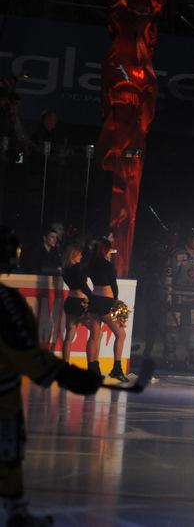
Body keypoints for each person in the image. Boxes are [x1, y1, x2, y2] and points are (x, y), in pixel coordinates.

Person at [0, 225, 102, 527]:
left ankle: (16, 511)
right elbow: (27, 354)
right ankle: (16, 512)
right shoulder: (7, 302)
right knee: (8, 447)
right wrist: (69, 376)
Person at [164, 229, 194, 370]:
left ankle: (193, 356)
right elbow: (168, 274)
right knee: (173, 326)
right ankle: (170, 355)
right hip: (178, 294)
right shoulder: (177, 254)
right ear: (189, 238)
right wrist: (168, 295)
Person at [86, 239, 127, 381]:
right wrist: (116, 302)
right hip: (106, 302)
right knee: (121, 334)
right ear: (105, 250)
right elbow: (113, 286)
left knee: (94, 336)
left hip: (94, 301)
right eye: (110, 249)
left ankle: (92, 369)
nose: (111, 252)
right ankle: (117, 369)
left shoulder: (91, 264)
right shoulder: (108, 265)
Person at [60, 244, 91, 363]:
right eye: (80, 254)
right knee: (96, 332)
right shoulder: (77, 267)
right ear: (74, 255)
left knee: (69, 336)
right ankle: (92, 363)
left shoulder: (65, 269)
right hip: (81, 303)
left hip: (70, 301)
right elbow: (83, 286)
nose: (82, 256)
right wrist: (92, 297)